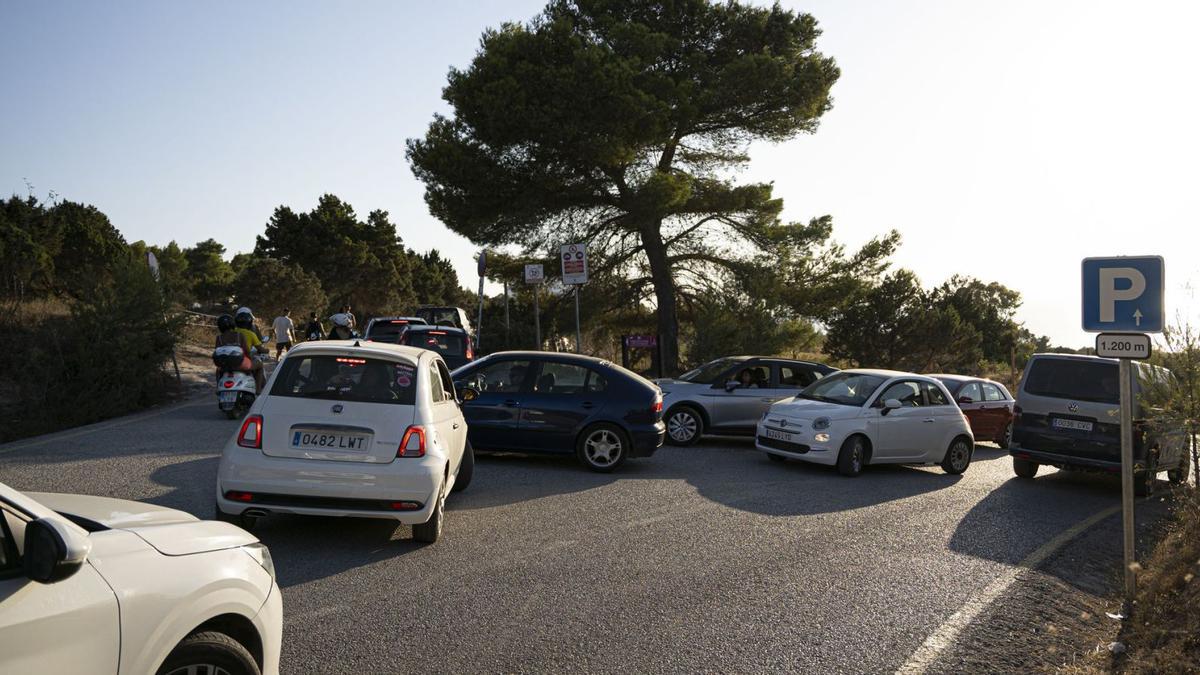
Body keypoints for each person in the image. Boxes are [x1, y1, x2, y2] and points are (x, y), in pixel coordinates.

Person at [234, 309, 269, 392]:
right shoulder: (251, 334)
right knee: (260, 365)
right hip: (245, 361)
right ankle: (258, 391)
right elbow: (260, 348)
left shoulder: (232, 332)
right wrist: (267, 350)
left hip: (231, 361)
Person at [213, 314, 253, 380]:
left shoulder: (219, 338)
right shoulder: (239, 335)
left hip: (225, 366)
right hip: (240, 365)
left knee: (218, 370)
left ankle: (218, 387)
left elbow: (217, 352)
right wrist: (250, 360)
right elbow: (247, 351)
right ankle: (258, 389)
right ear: (233, 324)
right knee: (259, 364)